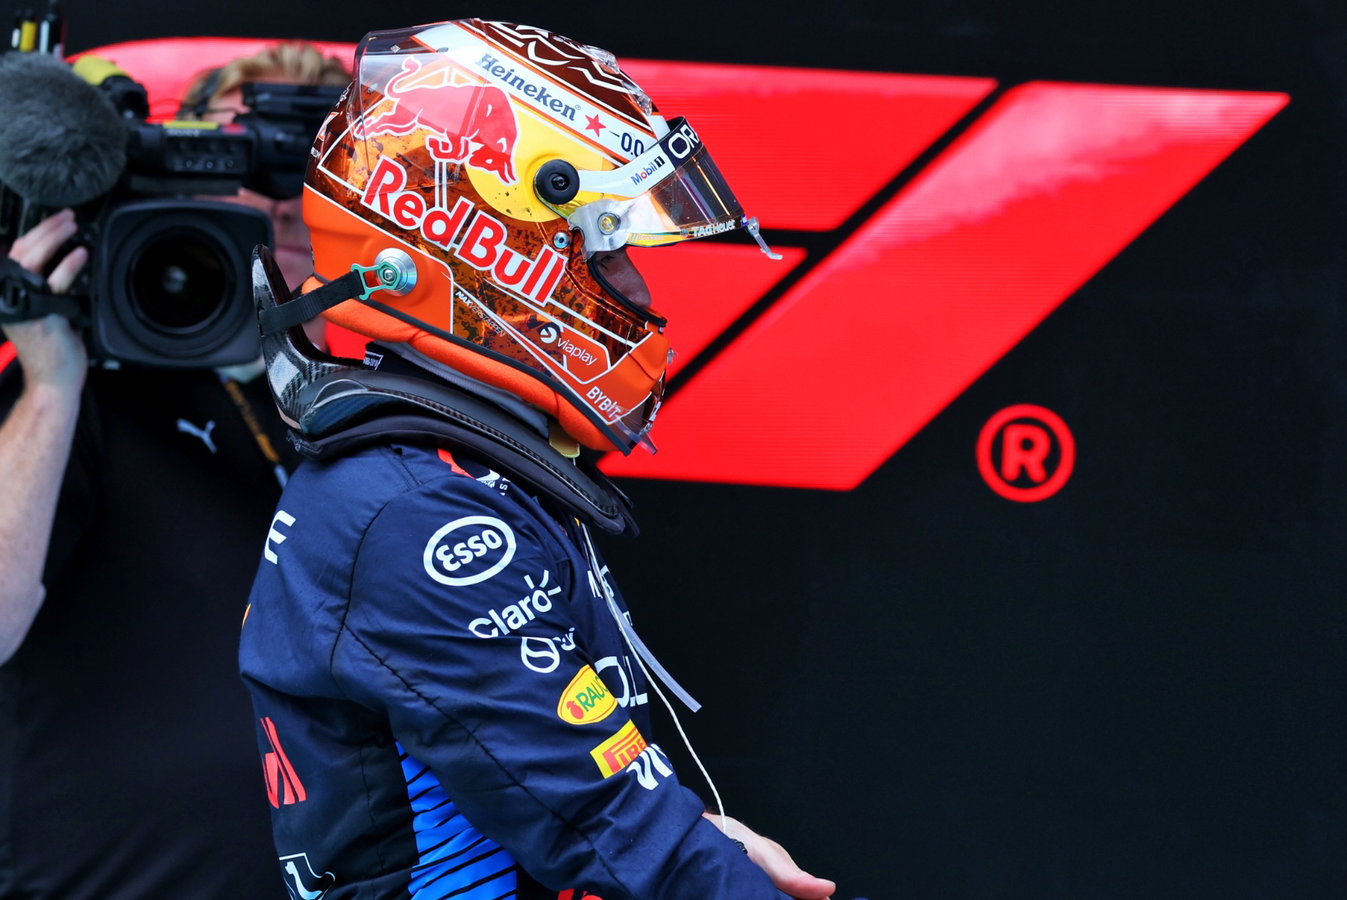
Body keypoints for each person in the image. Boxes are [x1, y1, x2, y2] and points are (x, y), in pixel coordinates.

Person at [241, 18, 841, 899]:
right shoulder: (417, 513)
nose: (636, 288)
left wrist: (696, 832)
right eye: (606, 251)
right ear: (482, 253)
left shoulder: (442, 473)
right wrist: (679, 843)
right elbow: (614, 837)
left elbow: (583, 804)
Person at [0, 43, 348, 899]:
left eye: (312, 186)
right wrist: (50, 380)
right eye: (250, 174)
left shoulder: (382, 427)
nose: (280, 206)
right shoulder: (77, 390)